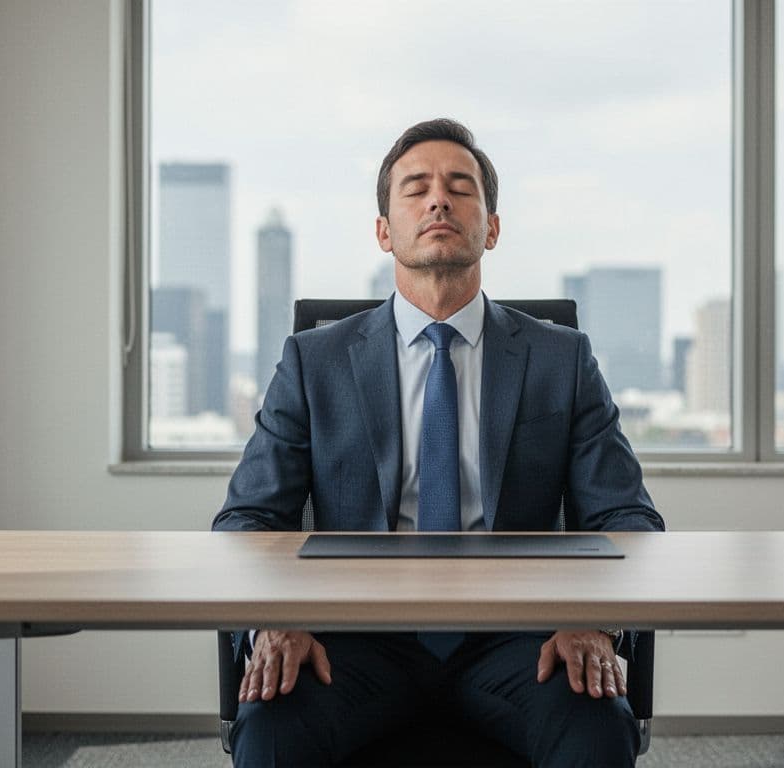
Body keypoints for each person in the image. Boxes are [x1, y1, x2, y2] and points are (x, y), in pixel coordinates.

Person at [212, 118, 663, 766]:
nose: (438, 200)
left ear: (493, 226)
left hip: (519, 640)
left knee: (594, 725)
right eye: (416, 187)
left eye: (460, 187)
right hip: (350, 639)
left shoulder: (560, 359)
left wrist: (593, 620)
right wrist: (276, 619)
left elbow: (627, 517)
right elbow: (247, 518)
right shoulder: (315, 360)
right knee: (275, 727)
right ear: (383, 231)